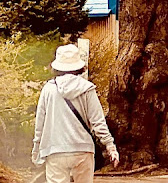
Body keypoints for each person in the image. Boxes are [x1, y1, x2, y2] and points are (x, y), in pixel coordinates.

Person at [32, 44, 120, 182]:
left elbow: (40, 124)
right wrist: (110, 146)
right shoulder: (87, 89)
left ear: (56, 66)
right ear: (79, 66)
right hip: (83, 150)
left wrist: (37, 149)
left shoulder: (48, 89)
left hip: (55, 150)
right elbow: (98, 122)